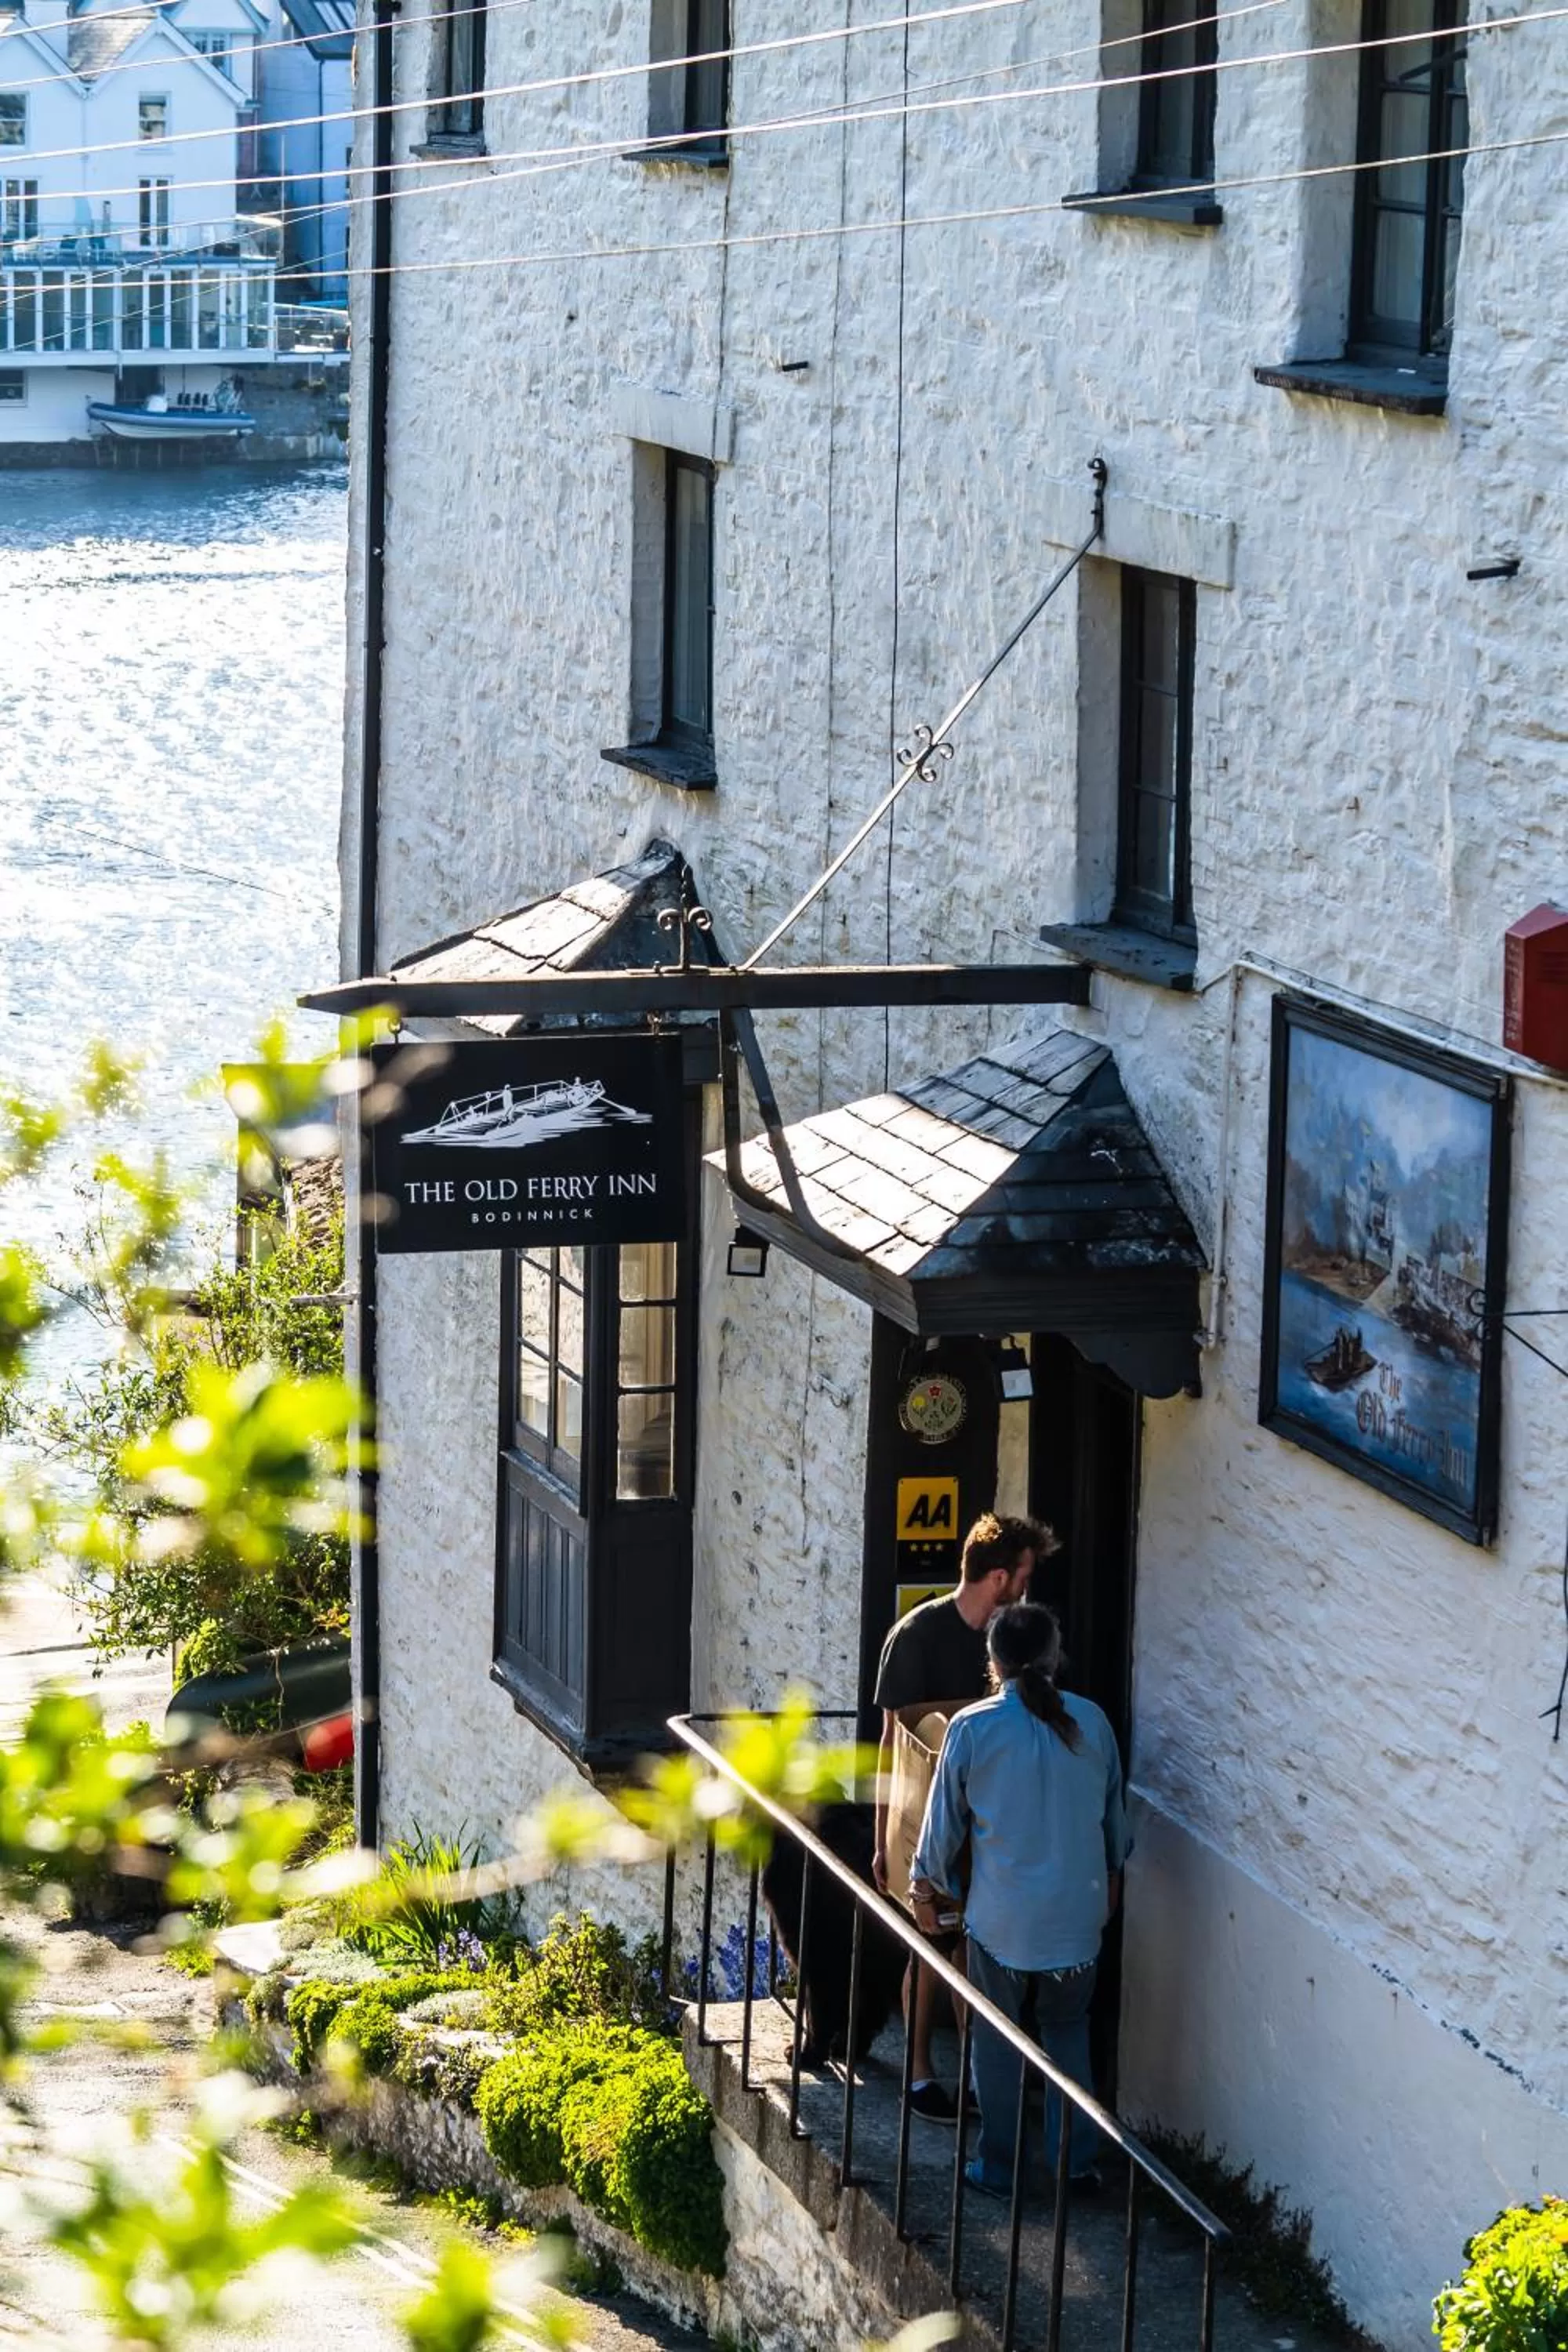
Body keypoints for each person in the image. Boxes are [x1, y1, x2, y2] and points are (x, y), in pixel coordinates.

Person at [909, 1602, 1127, 2198]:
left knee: (996, 2037)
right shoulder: (1094, 1724)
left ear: (993, 1659)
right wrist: (1107, 1889)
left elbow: (941, 1829)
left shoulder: (973, 1728)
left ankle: (999, 2167)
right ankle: (1074, 2165)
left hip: (1002, 1922)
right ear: (1056, 1657)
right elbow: (1115, 1830)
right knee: (1067, 2031)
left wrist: (923, 1887)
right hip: (1079, 1920)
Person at [871, 1513, 1053, 2122]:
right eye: (1023, 1577)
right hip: (928, 1822)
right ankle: (920, 2071)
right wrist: (883, 1843)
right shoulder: (917, 1635)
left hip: (990, 1824)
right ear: (999, 1577)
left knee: (973, 1950)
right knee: (930, 1942)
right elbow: (893, 1743)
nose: (1027, 1589)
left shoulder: (1012, 1643)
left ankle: (980, 2074)